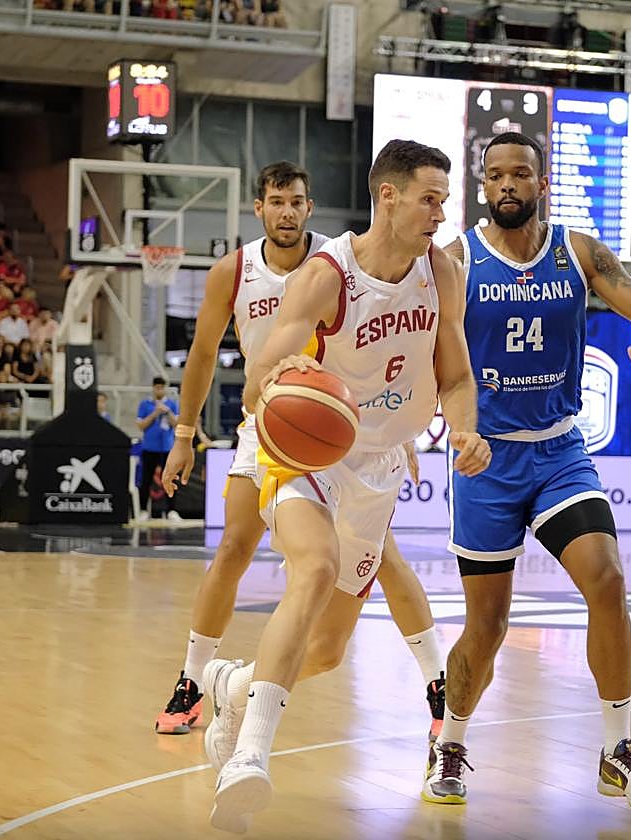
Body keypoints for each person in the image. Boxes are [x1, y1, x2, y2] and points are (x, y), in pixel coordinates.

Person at [205, 140, 491, 833]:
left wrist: (463, 430)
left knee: (328, 651)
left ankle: (233, 687)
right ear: (387, 196)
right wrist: (273, 387)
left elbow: (454, 375)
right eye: (430, 197)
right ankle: (249, 757)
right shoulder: (327, 274)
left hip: (379, 465)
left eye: (444, 199)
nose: (440, 211)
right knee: (315, 568)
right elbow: (261, 370)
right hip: (303, 455)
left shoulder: (443, 274)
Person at [157, 162, 450, 751]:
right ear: (260, 210)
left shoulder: (343, 262)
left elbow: (394, 354)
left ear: (308, 208)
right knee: (236, 545)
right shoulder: (234, 272)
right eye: (275, 202)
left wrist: (397, 433)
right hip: (270, 420)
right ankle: (192, 680)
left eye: (296, 201)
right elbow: (203, 356)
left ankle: (437, 681)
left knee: (383, 559)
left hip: (343, 429)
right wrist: (185, 434)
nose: (286, 212)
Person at [428, 132, 631, 808]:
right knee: (488, 627)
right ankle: (450, 742)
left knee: (608, 579)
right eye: (496, 175)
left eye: (521, 174)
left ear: (542, 185)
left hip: (559, 451)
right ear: (483, 188)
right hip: (486, 458)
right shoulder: (456, 262)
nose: (508, 184)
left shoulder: (577, 251)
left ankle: (617, 746)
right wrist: (457, 429)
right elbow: (434, 361)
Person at [136, 376, 178, 520]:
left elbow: (176, 424)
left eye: (162, 387)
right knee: (146, 479)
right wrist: (155, 413)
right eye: (157, 387)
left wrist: (166, 412)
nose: (159, 390)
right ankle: (143, 509)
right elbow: (141, 425)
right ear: (153, 388)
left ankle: (171, 510)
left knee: (170, 478)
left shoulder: (171, 404)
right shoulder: (145, 404)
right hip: (150, 447)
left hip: (167, 447)